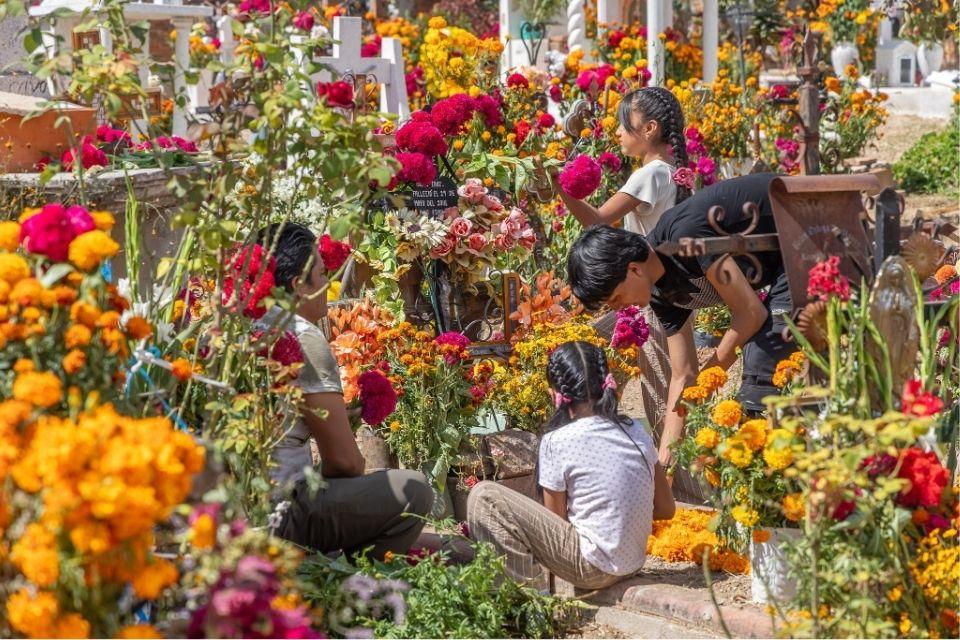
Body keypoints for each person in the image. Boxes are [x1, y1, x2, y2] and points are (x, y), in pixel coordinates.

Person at [565, 173, 793, 472]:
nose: (620, 308)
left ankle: (779, 479)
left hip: (807, 230)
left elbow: (750, 314)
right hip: (781, 264)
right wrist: (664, 462)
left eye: (616, 299)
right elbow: (683, 374)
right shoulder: (661, 291)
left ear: (633, 269)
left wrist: (708, 380)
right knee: (757, 370)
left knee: (761, 363)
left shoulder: (684, 238)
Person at [256, 222, 433, 559]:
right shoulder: (301, 337)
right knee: (415, 491)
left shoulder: (242, 327)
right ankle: (354, 589)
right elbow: (345, 462)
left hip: (242, 506)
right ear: (298, 286)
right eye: (322, 275)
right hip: (284, 511)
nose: (328, 284)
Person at [467, 341, 675, 590]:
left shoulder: (558, 440)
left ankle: (526, 604)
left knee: (485, 496)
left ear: (554, 394)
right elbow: (666, 509)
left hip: (593, 568)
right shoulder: (635, 429)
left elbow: (557, 524)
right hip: (632, 561)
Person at [558, 86, 689, 480]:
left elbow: (597, 220)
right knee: (661, 381)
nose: (617, 132)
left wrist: (559, 185)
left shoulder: (651, 174)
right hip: (652, 286)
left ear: (649, 129)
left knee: (657, 385)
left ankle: (670, 482)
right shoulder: (669, 172)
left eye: (624, 125)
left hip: (643, 291)